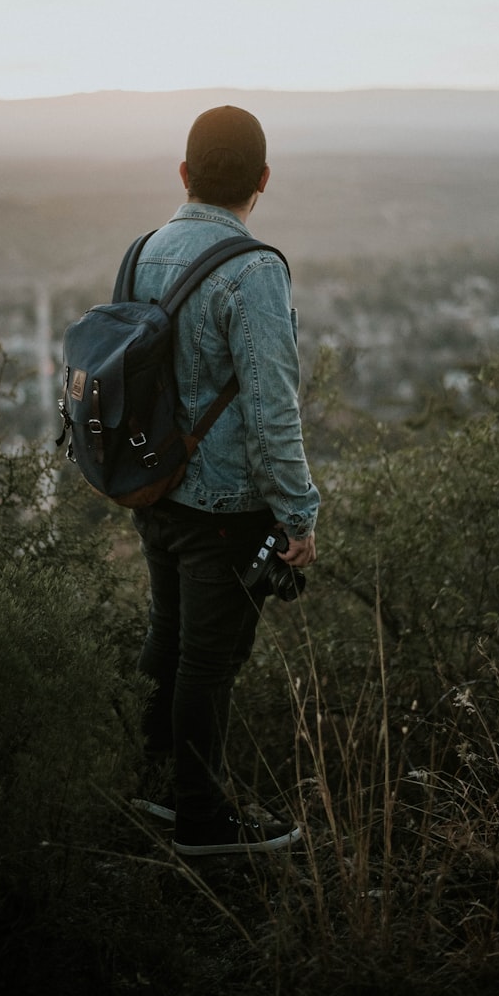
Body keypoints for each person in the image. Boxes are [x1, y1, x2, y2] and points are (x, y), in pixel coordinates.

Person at [130, 105, 319, 856]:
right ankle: (204, 823)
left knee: (166, 642)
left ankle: (157, 792)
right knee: (208, 664)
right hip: (225, 507)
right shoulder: (254, 268)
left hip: (155, 490)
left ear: (184, 174)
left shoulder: (144, 251)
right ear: (263, 181)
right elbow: (274, 410)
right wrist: (299, 517)